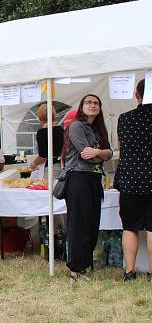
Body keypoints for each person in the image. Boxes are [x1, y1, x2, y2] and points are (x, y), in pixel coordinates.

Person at [62, 94, 114, 281]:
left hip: (94, 179)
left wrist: (99, 152)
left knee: (92, 224)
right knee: (78, 225)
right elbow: (86, 155)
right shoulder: (76, 126)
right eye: (88, 102)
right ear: (81, 105)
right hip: (78, 179)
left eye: (96, 103)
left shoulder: (98, 129)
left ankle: (84, 265)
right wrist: (101, 154)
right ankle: (74, 269)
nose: (92, 105)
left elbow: (110, 152)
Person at [115, 80, 152, 282]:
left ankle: (129, 271)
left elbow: (120, 146)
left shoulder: (125, 118)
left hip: (130, 178)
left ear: (137, 95)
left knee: (130, 226)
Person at [29, 104, 64, 171]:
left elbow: (43, 156)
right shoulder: (61, 129)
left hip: (49, 167)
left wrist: (34, 164)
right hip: (61, 165)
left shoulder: (42, 132)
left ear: (40, 117)